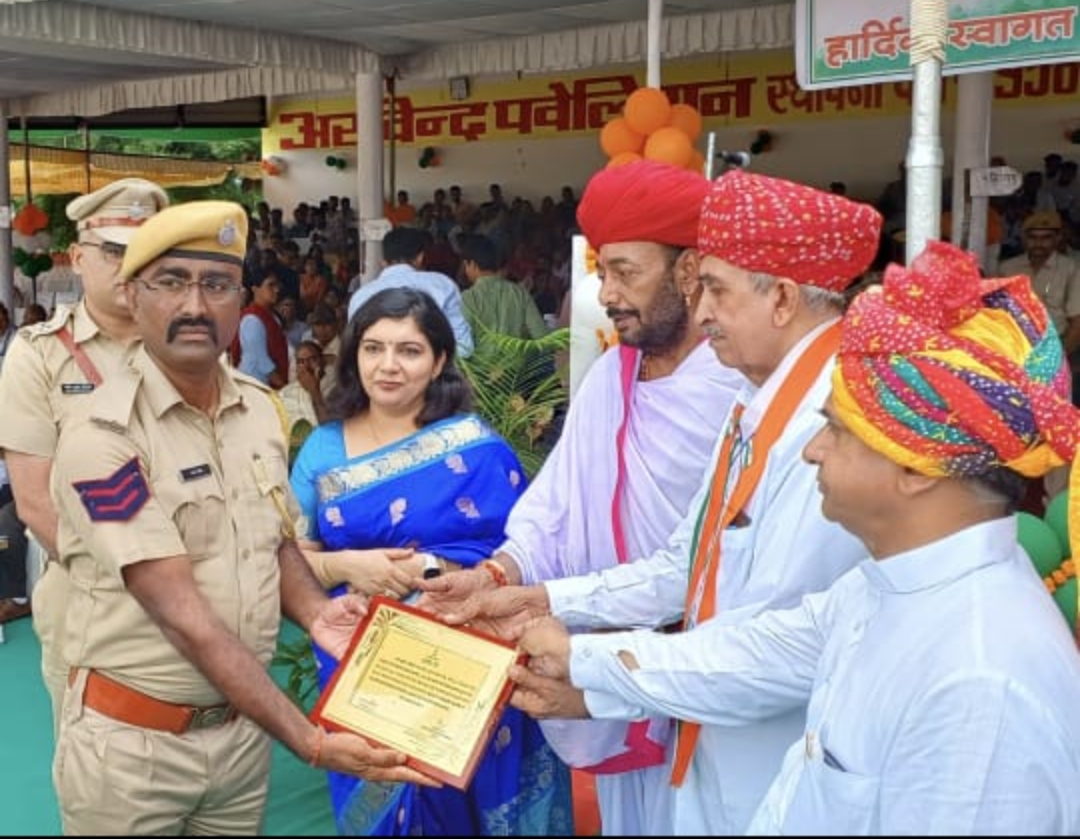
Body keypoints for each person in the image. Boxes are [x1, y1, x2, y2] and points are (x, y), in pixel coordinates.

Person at [512, 239, 1080, 835]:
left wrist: (580, 659)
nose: (812, 450)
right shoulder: (883, 590)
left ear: (916, 468)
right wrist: (579, 662)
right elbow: (753, 653)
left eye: (837, 430)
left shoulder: (980, 684)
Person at [426, 170, 883, 835]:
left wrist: (590, 668)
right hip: (692, 718)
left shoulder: (833, 421)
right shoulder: (756, 405)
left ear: (782, 298)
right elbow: (684, 566)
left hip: (761, 750)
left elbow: (778, 649)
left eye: (716, 289)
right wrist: (535, 596)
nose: (703, 311)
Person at [48, 200, 432, 834]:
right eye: (172, 282)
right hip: (135, 750)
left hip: (239, 737)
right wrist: (306, 739)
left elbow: (272, 539)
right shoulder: (102, 435)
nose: (196, 306)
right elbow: (179, 610)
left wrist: (318, 614)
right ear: (133, 296)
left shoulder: (257, 410)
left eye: (218, 284)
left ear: (241, 300)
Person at [420, 160, 745, 835]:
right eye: (602, 273)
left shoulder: (738, 388)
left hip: (713, 685)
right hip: (605, 676)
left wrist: (546, 603)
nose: (607, 293)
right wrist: (495, 574)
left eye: (625, 272)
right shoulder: (609, 377)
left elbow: (701, 567)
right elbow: (557, 508)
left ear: (690, 270)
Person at [289, 286, 573, 836]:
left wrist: (435, 574)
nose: (388, 365)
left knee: (463, 798)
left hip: (464, 657)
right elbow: (296, 556)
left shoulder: (475, 446)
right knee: (383, 793)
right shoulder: (322, 448)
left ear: (439, 360)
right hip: (363, 656)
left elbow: (525, 552)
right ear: (353, 356)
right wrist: (350, 567)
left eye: (409, 350)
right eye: (373, 348)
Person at [0, 178, 169, 728]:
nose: (130, 267)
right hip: (92, 600)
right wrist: (140, 585)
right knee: (95, 754)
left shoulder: (187, 345)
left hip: (193, 595)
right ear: (77, 258)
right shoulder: (38, 355)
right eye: (115, 251)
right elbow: (35, 503)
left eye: (146, 253)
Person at [346, 226, 473, 358]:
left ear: (383, 262)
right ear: (420, 257)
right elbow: (464, 348)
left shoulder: (361, 296)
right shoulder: (443, 285)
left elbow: (354, 352)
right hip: (432, 368)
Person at [459, 233, 549, 340]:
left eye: (465, 266)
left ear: (472, 265)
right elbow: (542, 337)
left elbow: (461, 343)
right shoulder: (520, 294)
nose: (465, 271)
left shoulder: (467, 299)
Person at [230, 268, 289, 388]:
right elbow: (262, 360)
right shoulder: (252, 319)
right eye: (270, 285)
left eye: (277, 285)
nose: (277, 290)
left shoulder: (272, 316)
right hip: (254, 383)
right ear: (255, 289)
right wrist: (284, 387)